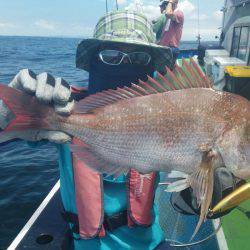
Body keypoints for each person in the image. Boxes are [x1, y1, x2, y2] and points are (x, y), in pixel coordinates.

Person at [0, 9, 245, 250]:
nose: (124, 65)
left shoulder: (171, 108)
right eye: (111, 55)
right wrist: (5, 114)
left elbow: (184, 193)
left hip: (150, 242)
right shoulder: (64, 109)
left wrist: (204, 194)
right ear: (94, 59)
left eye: (139, 58)